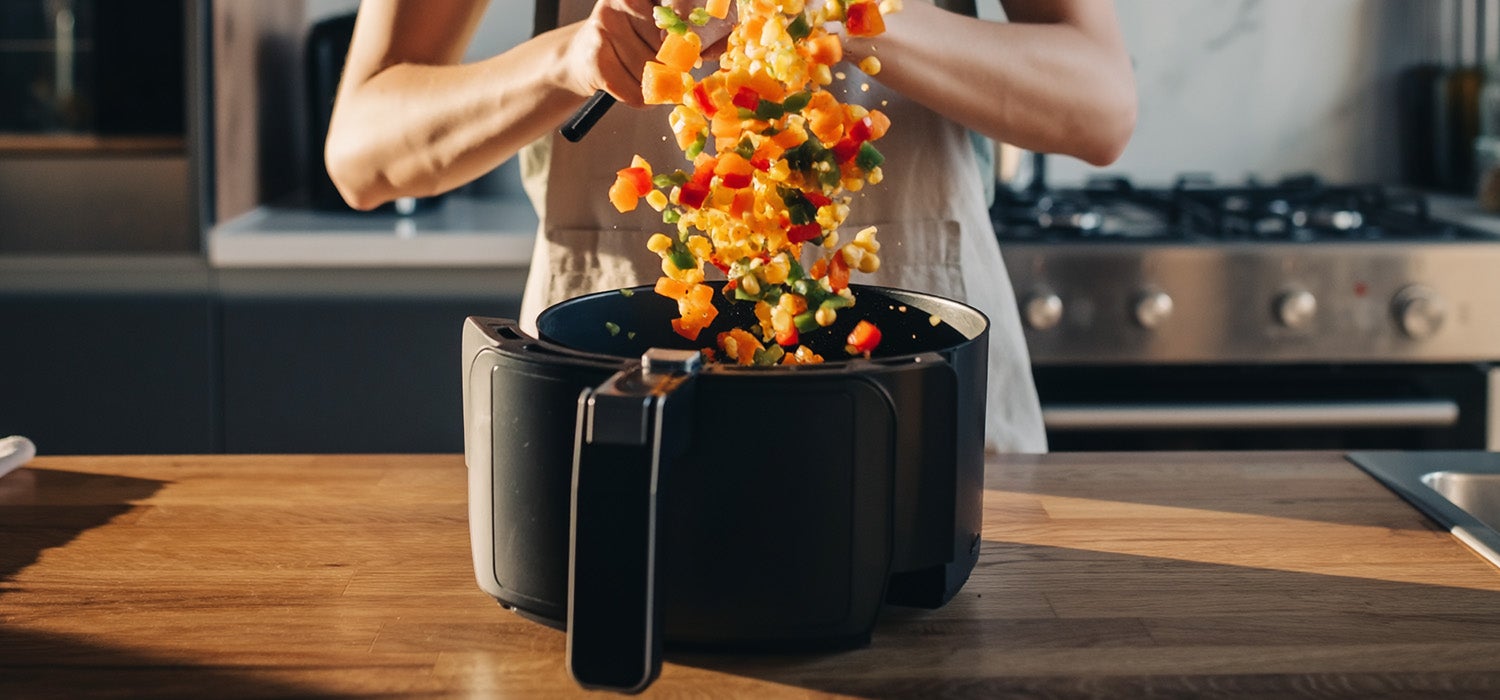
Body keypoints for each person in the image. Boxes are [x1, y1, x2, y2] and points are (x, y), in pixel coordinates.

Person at [325, 0, 1137, 453]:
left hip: (919, 416)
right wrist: (565, 61)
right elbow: (364, 153)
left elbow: (1099, 103)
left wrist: (853, 15)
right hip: (618, 416)